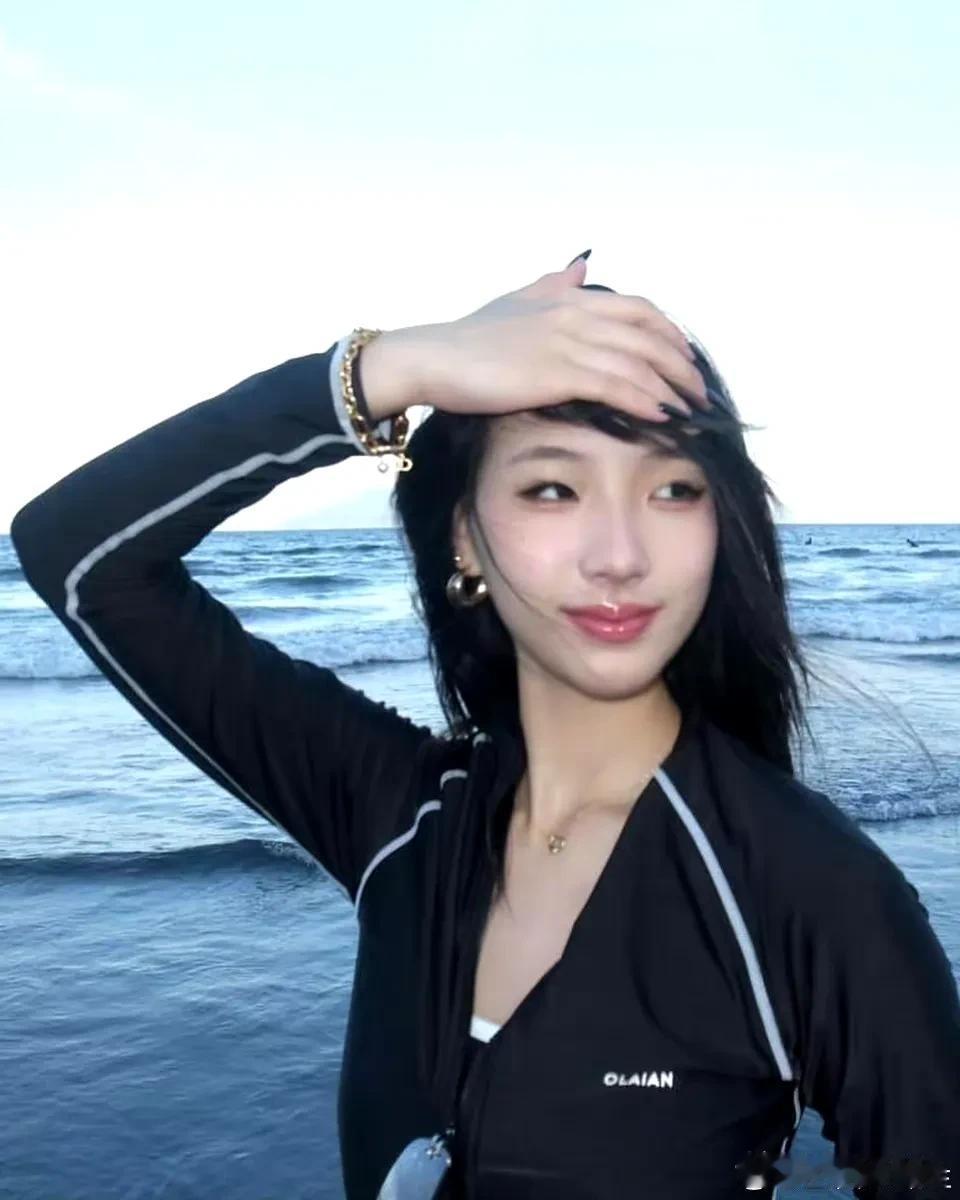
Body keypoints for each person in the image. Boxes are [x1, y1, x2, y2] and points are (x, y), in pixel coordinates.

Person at [10, 253, 959, 1200]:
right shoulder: (396, 811)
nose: (620, 556)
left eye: (674, 489)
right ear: (463, 535)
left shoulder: (814, 892)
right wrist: (391, 368)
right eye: (552, 488)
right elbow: (80, 553)